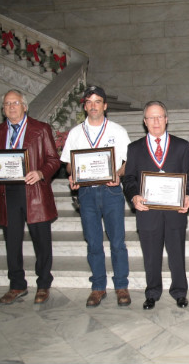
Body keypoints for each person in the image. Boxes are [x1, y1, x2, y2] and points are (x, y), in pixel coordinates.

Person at [0, 89, 60, 305]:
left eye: (15, 103)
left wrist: (41, 173)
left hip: (34, 192)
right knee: (12, 242)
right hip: (9, 193)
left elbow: (54, 159)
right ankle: (17, 284)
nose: (11, 107)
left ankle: (43, 284)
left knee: (42, 242)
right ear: (3, 109)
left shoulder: (41, 129)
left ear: (25, 106)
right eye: (7, 104)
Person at [61, 85, 131, 308]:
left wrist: (118, 175)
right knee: (93, 242)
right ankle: (98, 287)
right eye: (89, 102)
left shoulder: (118, 131)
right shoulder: (75, 133)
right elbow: (69, 165)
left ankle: (121, 285)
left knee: (118, 242)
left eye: (97, 101)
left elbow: (128, 162)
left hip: (111, 191)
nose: (93, 106)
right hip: (87, 193)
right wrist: (73, 177)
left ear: (105, 105)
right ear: (84, 106)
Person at [123, 101, 189, 310]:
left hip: (175, 211)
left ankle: (180, 292)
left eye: (159, 116)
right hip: (148, 212)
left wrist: (187, 195)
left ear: (167, 119)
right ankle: (152, 292)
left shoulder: (181, 146)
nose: (156, 121)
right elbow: (129, 179)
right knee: (151, 256)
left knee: (177, 254)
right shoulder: (135, 148)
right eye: (151, 117)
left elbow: (188, 177)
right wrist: (134, 196)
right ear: (145, 122)